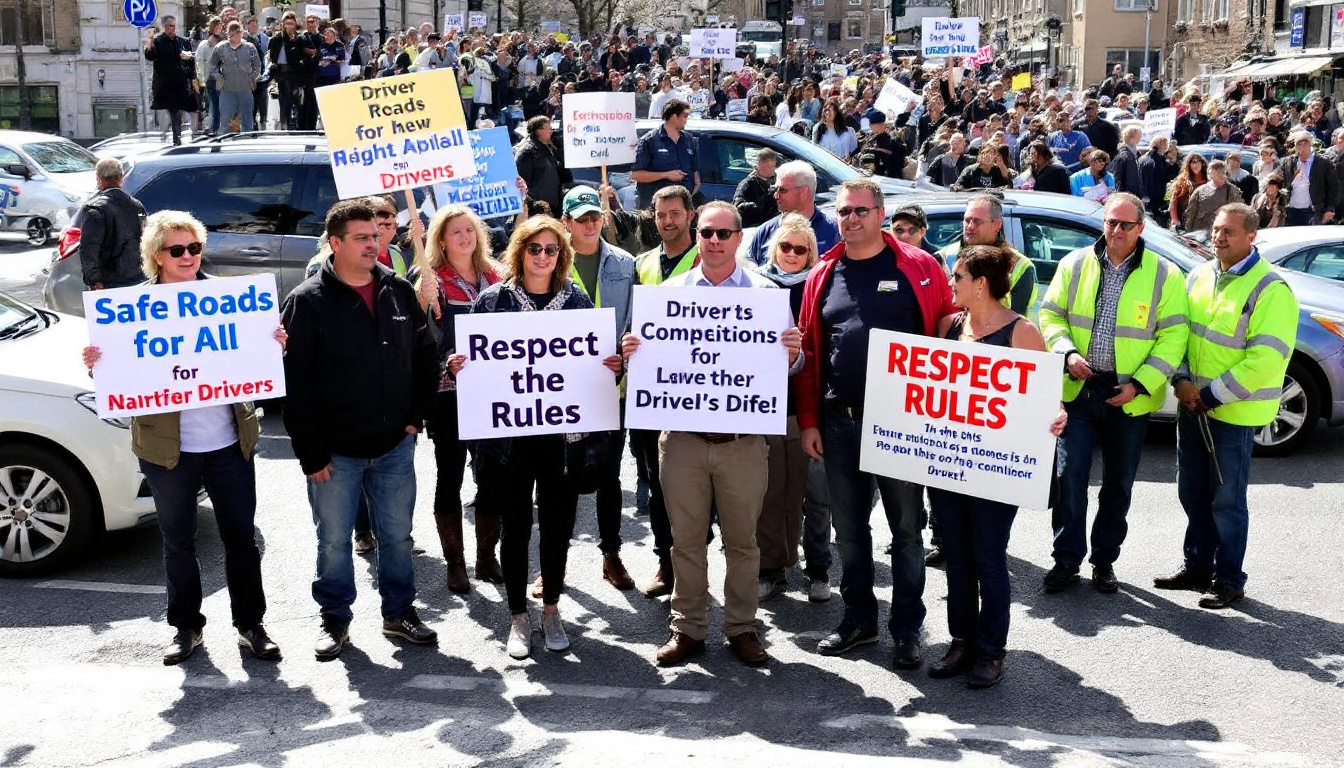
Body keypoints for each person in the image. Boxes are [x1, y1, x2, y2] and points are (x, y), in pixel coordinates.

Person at [82, 210, 282, 665]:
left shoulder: (231, 300)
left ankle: (251, 625)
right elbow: (118, 373)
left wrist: (271, 342)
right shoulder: (130, 312)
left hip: (230, 444)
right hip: (166, 449)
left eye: (194, 248)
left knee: (240, 539)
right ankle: (186, 627)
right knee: (178, 542)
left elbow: (255, 356)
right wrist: (98, 360)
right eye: (178, 249)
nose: (188, 256)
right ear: (157, 256)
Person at [622, 201, 803, 668]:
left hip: (742, 443)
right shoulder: (670, 293)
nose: (715, 241)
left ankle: (742, 628)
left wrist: (792, 354)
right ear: (697, 236)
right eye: (707, 233)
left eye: (725, 233)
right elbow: (648, 362)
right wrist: (633, 351)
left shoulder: (766, 295)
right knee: (685, 542)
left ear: (740, 238)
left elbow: (788, 367)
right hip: (682, 440)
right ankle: (688, 629)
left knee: (743, 542)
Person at [796, 179, 956, 668]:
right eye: (844, 212)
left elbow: (950, 328)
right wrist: (809, 421)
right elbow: (807, 348)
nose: (852, 220)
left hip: (903, 424)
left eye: (861, 211)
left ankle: (907, 628)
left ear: (881, 213)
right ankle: (859, 620)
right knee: (849, 529)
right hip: (839, 421)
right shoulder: (823, 272)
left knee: (906, 531)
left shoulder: (920, 266)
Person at [447, 217, 623, 659]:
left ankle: (551, 609)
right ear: (520, 251)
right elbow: (474, 365)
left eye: (551, 250)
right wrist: (458, 367)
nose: (542, 257)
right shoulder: (493, 300)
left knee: (558, 529)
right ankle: (518, 617)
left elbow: (593, 361)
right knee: (517, 526)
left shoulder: (577, 300)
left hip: (563, 438)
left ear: (561, 256)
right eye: (534, 249)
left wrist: (612, 367)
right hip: (511, 439)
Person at [281, 199, 439, 659]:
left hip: (393, 446)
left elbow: (425, 355)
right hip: (335, 454)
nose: (374, 244)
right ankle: (334, 621)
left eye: (376, 236)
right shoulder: (306, 302)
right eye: (362, 238)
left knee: (397, 536)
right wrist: (312, 454)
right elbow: (296, 388)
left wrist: (415, 417)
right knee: (333, 542)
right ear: (335, 243)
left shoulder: (398, 291)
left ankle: (400, 613)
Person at [927, 244, 1066, 689]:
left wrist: (1057, 413)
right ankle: (961, 641)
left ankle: (990, 651)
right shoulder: (949, 327)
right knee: (958, 560)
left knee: (988, 559)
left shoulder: (1023, 333)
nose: (951, 284)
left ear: (981, 284)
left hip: (996, 472)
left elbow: (1047, 395)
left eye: (958, 277)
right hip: (949, 465)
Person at [1038, 193, 1189, 595]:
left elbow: (1174, 335)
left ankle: (1104, 561)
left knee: (1119, 483)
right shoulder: (1075, 264)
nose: (1115, 231)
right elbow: (1050, 314)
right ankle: (1066, 559)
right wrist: (1065, 352)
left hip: (1130, 394)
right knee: (1070, 476)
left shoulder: (1164, 274)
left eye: (1124, 225)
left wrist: (1141, 383)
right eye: (1110, 223)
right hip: (1081, 389)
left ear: (1141, 228)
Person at [1156, 203, 1298, 610]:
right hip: (1193, 405)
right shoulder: (1199, 275)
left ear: (1251, 236)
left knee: (1227, 502)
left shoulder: (1270, 289)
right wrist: (1180, 379)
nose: (1218, 237)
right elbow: (1178, 335)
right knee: (1192, 492)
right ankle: (1198, 566)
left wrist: (1211, 395)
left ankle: (1230, 578)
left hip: (1231, 413)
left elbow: (1265, 360)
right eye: (1216, 230)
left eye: (1228, 232)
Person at [413, 204, 504, 594]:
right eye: (455, 232)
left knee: (492, 476)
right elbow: (418, 335)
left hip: (495, 393)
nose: (465, 237)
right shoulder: (430, 279)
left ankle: (487, 555)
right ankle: (456, 564)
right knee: (449, 475)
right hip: (448, 396)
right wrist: (422, 298)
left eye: (470, 229)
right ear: (440, 240)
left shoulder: (498, 276)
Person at [559, 186, 639, 592]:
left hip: (612, 389)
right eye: (581, 218)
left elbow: (635, 322)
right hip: (562, 394)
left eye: (595, 217)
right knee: (562, 480)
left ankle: (611, 554)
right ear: (566, 222)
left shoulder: (624, 263)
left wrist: (624, 355)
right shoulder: (549, 262)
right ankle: (555, 564)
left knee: (609, 477)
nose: (589, 225)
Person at [629, 185, 699, 598]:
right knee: (657, 482)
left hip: (696, 390)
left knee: (693, 487)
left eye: (675, 213)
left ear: (690, 215)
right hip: (651, 392)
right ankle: (665, 562)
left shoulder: (709, 259)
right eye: (661, 214)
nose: (667, 221)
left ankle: (694, 562)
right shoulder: (643, 264)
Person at [756, 213, 830, 603]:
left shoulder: (820, 287)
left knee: (814, 496)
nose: (792, 255)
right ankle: (772, 569)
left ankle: (818, 569)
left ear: (810, 254)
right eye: (785, 247)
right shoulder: (755, 287)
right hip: (763, 406)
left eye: (801, 250)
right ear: (774, 248)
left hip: (808, 407)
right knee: (769, 495)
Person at [936, 194, 1037, 316]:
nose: (970, 226)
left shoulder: (1020, 266)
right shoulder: (944, 257)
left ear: (997, 225)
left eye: (977, 222)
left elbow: (1017, 319)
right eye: (967, 220)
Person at [746, 161, 840, 266]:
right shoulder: (765, 232)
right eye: (784, 247)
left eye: (783, 190)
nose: (776, 195)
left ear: (803, 192)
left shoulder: (834, 233)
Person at [79, 158, 147, 291]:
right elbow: (146, 240)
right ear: (122, 178)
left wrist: (94, 280)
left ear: (98, 179)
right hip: (138, 277)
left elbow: (89, 249)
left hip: (108, 281)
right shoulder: (137, 206)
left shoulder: (94, 209)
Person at [632, 99, 700, 209]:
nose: (686, 120)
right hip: (655, 206)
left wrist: (695, 183)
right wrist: (667, 175)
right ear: (674, 117)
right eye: (685, 116)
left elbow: (695, 172)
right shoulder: (649, 141)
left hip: (682, 206)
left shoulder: (689, 140)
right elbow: (636, 175)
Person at [144, 16, 197, 145]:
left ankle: (191, 136)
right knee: (172, 112)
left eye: (173, 26)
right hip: (165, 85)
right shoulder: (158, 41)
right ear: (163, 27)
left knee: (193, 109)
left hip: (182, 83)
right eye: (169, 26)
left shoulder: (183, 41)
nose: (171, 28)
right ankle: (174, 139)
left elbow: (192, 61)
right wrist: (150, 40)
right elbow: (150, 56)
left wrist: (189, 60)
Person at [210, 21, 263, 133]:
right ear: (228, 33)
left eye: (238, 31)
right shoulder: (220, 47)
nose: (235, 34)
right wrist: (219, 78)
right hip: (227, 90)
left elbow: (257, 66)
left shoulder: (250, 47)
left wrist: (252, 78)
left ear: (242, 32)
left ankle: (246, 144)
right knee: (225, 122)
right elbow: (212, 65)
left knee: (247, 122)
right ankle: (225, 144)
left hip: (245, 90)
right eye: (232, 31)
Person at [1277, 131, 1339, 226]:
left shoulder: (1324, 163)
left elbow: (1333, 188)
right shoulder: (1288, 162)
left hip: (1313, 211)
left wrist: (1329, 209)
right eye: (1299, 144)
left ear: (1310, 144)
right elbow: (1278, 180)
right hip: (1291, 210)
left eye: (1305, 143)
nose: (1302, 147)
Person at [268, 12, 312, 131]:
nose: (289, 26)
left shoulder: (300, 39)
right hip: (281, 73)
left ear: (295, 24)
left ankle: (299, 127)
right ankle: (284, 126)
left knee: (297, 102)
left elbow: (306, 56)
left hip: (295, 74)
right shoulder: (276, 38)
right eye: (286, 23)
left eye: (291, 23)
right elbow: (271, 55)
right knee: (283, 102)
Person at [515, 115, 566, 217]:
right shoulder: (528, 151)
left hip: (552, 203)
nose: (550, 130)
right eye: (546, 127)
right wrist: (533, 205)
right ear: (537, 130)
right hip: (538, 208)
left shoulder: (548, 146)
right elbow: (523, 181)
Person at [1183, 159, 1240, 234]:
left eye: (1222, 172)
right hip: (1199, 231)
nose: (1220, 175)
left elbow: (1238, 211)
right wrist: (1189, 231)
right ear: (1210, 174)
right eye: (1217, 172)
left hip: (1221, 231)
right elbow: (1191, 212)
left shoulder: (1232, 190)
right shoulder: (1200, 191)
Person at [733, 147, 779, 228]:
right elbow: (738, 206)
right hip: (754, 226)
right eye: (769, 166)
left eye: (773, 166)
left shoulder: (776, 180)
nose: (773, 169)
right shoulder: (748, 184)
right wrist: (760, 203)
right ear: (760, 164)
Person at [1139, 135, 1177, 220]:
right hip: (1153, 199)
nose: (1167, 146)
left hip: (1146, 197)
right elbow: (1159, 179)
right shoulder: (1155, 161)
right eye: (1166, 143)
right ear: (1160, 144)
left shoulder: (1144, 158)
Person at [1168, 153, 1208, 230]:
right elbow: (1173, 202)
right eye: (1192, 162)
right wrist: (1175, 219)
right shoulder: (1181, 181)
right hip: (1183, 221)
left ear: (1202, 163)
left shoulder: (1209, 181)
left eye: (1196, 161)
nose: (1194, 165)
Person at [1110, 125, 1144, 196]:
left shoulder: (1134, 154)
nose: (1140, 139)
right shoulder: (1124, 156)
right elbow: (1117, 178)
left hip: (1133, 195)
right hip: (1127, 195)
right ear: (1132, 138)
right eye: (1139, 137)